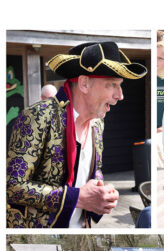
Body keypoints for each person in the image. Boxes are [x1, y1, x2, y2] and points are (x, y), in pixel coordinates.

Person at [8, 41, 145, 228]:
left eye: (120, 86)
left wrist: (100, 191)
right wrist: (77, 197)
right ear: (84, 84)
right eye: (112, 85)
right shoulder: (38, 116)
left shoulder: (98, 123)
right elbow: (13, 186)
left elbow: (95, 169)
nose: (120, 95)